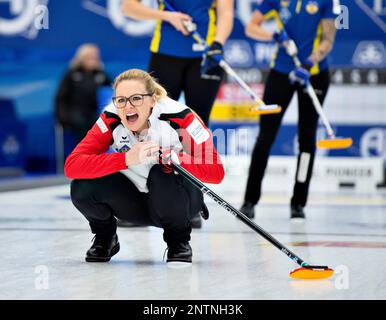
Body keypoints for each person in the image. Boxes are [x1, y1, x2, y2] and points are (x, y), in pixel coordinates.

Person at [64, 69, 224, 265]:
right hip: (135, 204)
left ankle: (178, 242)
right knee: (81, 186)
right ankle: (105, 238)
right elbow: (72, 165)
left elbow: (216, 171)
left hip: (179, 202)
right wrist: (125, 159)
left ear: (153, 100)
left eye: (136, 98)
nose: (128, 107)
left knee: (161, 172)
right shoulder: (110, 118)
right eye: (121, 100)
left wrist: (177, 159)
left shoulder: (181, 117)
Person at [122, 0, 234, 228]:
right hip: (166, 52)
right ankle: (140, 203)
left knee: (196, 128)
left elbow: (226, 13)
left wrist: (218, 43)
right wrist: (167, 17)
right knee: (150, 122)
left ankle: (191, 204)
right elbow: (128, 7)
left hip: (205, 54)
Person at [239, 0, 339, 221]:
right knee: (265, 138)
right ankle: (249, 201)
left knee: (307, 139)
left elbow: (328, 40)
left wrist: (308, 64)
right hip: (281, 72)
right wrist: (275, 37)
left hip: (314, 73)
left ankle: (298, 203)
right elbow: (251, 26)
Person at [55, 44, 111, 150]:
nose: (93, 60)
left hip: (96, 115)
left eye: (95, 57)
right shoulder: (71, 74)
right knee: (81, 125)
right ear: (82, 58)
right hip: (76, 117)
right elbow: (61, 99)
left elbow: (111, 95)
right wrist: (62, 118)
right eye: (90, 57)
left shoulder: (102, 75)